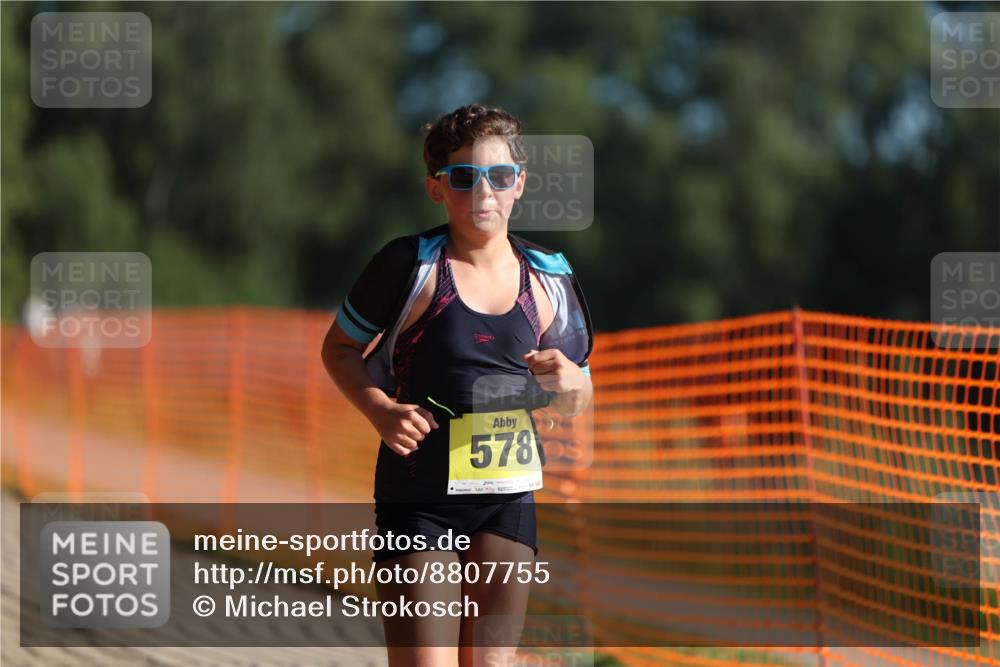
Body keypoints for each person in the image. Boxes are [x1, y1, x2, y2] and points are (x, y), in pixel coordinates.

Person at [321, 103, 593, 667]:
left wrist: (572, 386)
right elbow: (339, 350)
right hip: (420, 502)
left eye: (499, 176)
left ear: (519, 184)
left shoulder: (550, 279)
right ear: (436, 188)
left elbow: (578, 395)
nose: (484, 192)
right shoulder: (409, 267)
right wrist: (377, 409)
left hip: (507, 500)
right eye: (464, 177)